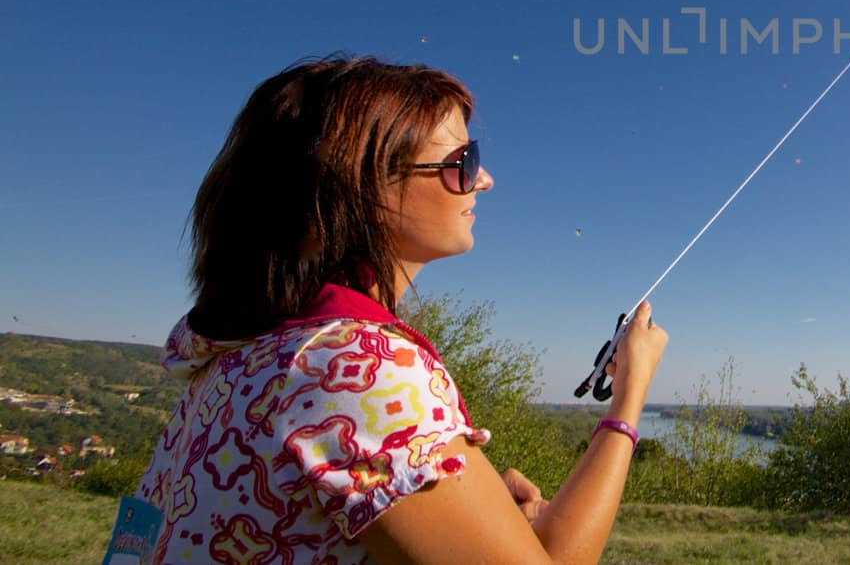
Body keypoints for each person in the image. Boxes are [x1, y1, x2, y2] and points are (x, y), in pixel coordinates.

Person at [135, 56, 667, 564]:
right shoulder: (357, 371)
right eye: (463, 162)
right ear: (362, 189)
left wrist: (462, 511)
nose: (484, 180)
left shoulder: (239, 359)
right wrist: (629, 394)